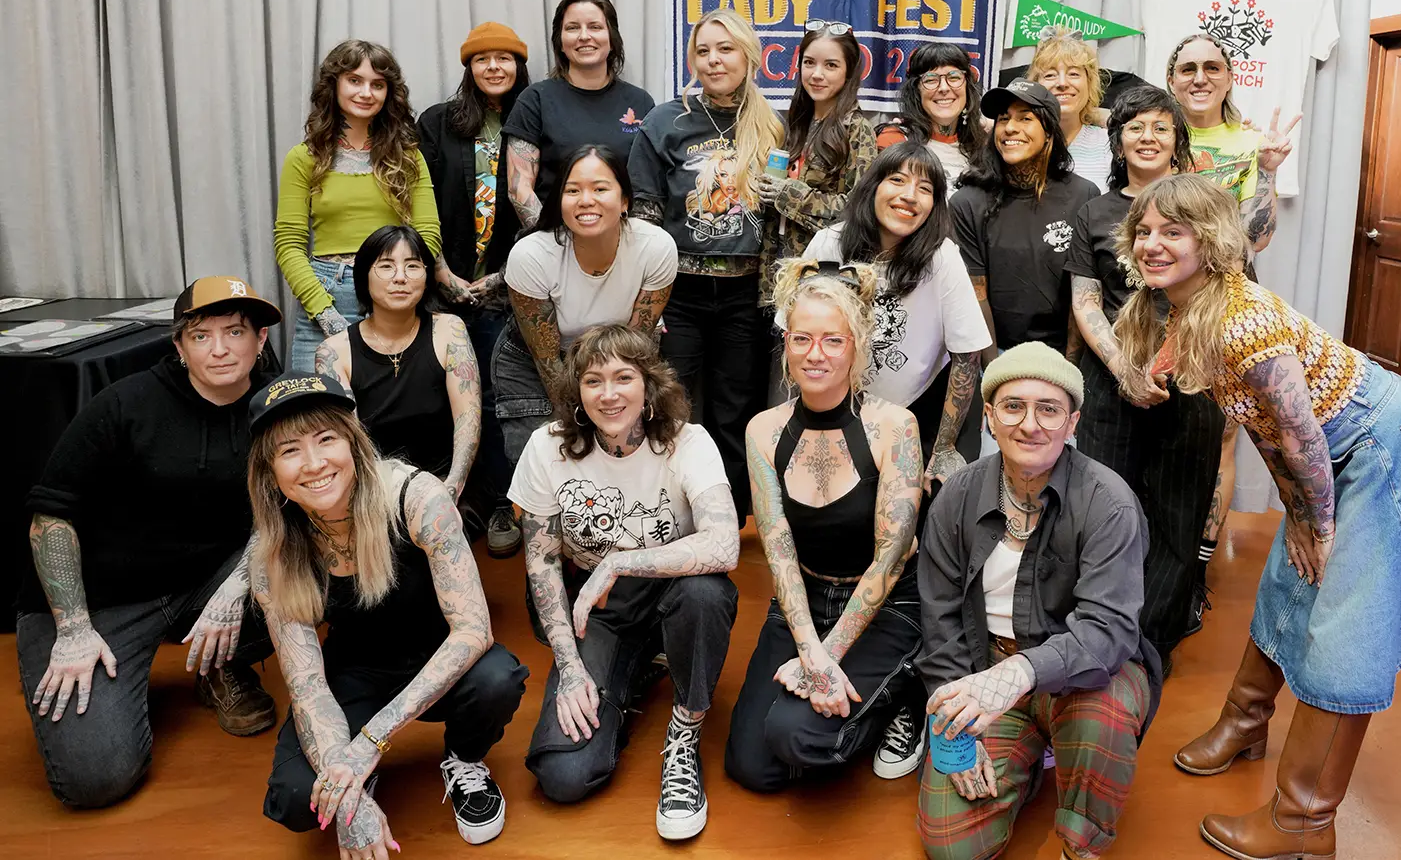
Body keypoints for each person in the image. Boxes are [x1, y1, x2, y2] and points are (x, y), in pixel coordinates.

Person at [1112, 174, 1401, 860]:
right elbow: (1265, 425)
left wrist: (1318, 522)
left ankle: (1304, 820)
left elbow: (1301, 433)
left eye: (1174, 231)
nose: (1153, 244)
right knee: (1290, 581)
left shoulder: (1240, 319)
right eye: (1145, 230)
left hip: (1384, 445)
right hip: (1327, 449)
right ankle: (1245, 723)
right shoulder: (1184, 305)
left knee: (1349, 622)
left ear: (1211, 241)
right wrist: (1299, 512)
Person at [18, 278, 282, 808]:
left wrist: (234, 593)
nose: (222, 349)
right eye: (202, 336)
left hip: (209, 584)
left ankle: (219, 665)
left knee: (313, 556)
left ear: (260, 340)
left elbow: (292, 510)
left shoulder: (275, 405)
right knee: (98, 779)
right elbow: (51, 519)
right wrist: (71, 628)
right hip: (101, 603)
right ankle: (122, 670)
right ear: (179, 348)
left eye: (235, 332)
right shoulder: (124, 405)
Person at [252, 373, 529, 854]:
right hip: (355, 673)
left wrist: (369, 743)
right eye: (290, 450)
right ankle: (362, 781)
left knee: (497, 679)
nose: (314, 464)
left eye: (326, 439)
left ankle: (464, 759)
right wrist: (347, 783)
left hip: (440, 656)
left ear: (354, 444)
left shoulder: (415, 497)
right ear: (269, 473)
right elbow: (306, 684)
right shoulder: (272, 552)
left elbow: (472, 630)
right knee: (302, 800)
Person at [916, 343, 1160, 860]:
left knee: (1103, 719)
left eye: (1048, 409)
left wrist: (1017, 677)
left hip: (1083, 676)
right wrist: (960, 717)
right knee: (951, 846)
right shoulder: (955, 498)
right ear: (989, 417)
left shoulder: (1108, 502)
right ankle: (1024, 764)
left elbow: (1108, 632)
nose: (1030, 424)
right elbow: (938, 621)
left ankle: (1082, 842)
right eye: (1013, 406)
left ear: (1072, 423)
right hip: (984, 670)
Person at [510, 325, 740, 839]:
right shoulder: (546, 448)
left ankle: (685, 728)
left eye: (623, 377)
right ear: (576, 393)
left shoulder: (688, 441)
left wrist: (616, 563)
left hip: (670, 593)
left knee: (708, 592)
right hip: (599, 609)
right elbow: (542, 566)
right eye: (593, 381)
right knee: (563, 776)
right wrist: (570, 667)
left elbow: (724, 545)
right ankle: (629, 671)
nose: (609, 394)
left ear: (648, 385)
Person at [724, 259, 925, 790]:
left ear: (857, 346)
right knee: (752, 768)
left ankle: (907, 697)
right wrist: (810, 647)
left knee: (798, 738)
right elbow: (778, 547)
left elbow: (892, 557)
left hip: (886, 604)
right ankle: (855, 691)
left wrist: (823, 657)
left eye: (833, 341)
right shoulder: (763, 430)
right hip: (805, 600)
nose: (815, 355)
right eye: (802, 339)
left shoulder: (894, 427)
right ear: (785, 343)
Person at [1065, 86, 1226, 667]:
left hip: (1194, 378)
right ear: (1118, 140)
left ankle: (1150, 647)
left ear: (1177, 139)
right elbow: (1086, 304)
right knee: (1107, 506)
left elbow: (1228, 290)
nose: (1148, 136)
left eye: (1162, 126)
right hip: (1112, 382)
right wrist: (1125, 369)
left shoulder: (1207, 202)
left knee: (1179, 512)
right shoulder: (1094, 211)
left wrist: (1172, 363)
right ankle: (1098, 627)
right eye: (1136, 126)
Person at [628, 8, 784, 519]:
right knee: (671, 402)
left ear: (749, 55)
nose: (714, 60)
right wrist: (649, 296)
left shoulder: (773, 124)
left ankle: (729, 515)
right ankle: (667, 508)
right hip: (682, 293)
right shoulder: (666, 120)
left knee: (736, 409)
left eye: (726, 48)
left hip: (745, 294)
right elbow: (645, 216)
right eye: (703, 50)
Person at [802, 140, 990, 489]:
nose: (909, 196)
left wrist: (944, 446)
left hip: (924, 404)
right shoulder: (829, 245)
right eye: (897, 181)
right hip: (840, 403)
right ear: (873, 186)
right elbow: (794, 339)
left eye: (925, 188)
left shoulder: (941, 257)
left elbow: (967, 355)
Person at [497, 144, 677, 490]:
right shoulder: (532, 255)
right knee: (546, 458)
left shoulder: (656, 248)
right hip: (535, 364)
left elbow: (634, 349)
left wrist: (609, 411)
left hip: (617, 357)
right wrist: (579, 423)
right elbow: (550, 365)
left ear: (625, 200)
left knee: (621, 448)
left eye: (600, 188)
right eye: (572, 190)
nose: (586, 200)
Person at [417, 20, 531, 555]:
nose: (493, 67)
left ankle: (504, 503)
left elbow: (546, 208)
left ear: (519, 65)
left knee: (498, 399)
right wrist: (439, 269)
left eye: (504, 58)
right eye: (482, 59)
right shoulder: (438, 122)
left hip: (507, 290)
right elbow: (415, 200)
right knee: (444, 400)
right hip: (442, 287)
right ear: (468, 67)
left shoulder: (534, 120)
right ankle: (449, 500)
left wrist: (505, 274)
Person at [276, 40, 446, 370]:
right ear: (334, 85)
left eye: (377, 84)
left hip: (395, 294)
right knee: (312, 416)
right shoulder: (304, 158)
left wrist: (399, 283)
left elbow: (428, 234)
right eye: (355, 80)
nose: (366, 92)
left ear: (388, 93)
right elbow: (289, 244)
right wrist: (324, 312)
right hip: (326, 295)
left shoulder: (408, 158)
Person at [313, 225, 480, 500]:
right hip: (376, 492)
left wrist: (451, 486)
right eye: (386, 266)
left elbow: (468, 418)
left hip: (448, 484)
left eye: (413, 266)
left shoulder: (450, 330)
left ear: (427, 278)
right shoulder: (334, 352)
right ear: (364, 276)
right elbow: (348, 443)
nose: (400, 278)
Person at [951, 79, 1099, 358]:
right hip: (996, 351)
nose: (1009, 128)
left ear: (1049, 131)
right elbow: (975, 299)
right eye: (1003, 119)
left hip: (1061, 354)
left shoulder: (1083, 195)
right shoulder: (967, 203)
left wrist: (1069, 369)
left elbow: (1083, 295)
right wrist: (994, 372)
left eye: (1025, 118)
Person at [503, 0, 656, 228]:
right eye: (573, 28)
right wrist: (553, 240)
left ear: (612, 37)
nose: (584, 36)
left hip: (621, 242)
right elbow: (518, 188)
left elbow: (647, 188)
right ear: (560, 42)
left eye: (595, 27)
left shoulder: (641, 102)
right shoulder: (535, 100)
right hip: (551, 242)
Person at [755, 19, 877, 308]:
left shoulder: (857, 129)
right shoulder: (794, 124)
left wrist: (790, 195)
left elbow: (859, 210)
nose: (817, 74)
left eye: (831, 65)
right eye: (809, 63)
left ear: (849, 71)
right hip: (773, 275)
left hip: (822, 279)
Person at [1165, 33, 1298, 253]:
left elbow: (1255, 241)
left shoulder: (1254, 143)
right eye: (1188, 69)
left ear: (1229, 79)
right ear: (1172, 81)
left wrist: (1267, 170)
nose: (1199, 79)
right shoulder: (1153, 137)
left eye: (1212, 68)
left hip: (1222, 278)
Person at [873, 41, 987, 192]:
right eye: (931, 80)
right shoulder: (895, 139)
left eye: (954, 77)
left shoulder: (983, 145)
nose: (944, 88)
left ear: (967, 86)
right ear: (916, 91)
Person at [1027, 26, 1112, 191]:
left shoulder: (1109, 144)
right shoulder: (1021, 141)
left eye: (1073, 74)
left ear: (1089, 83)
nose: (1062, 83)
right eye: (1050, 75)